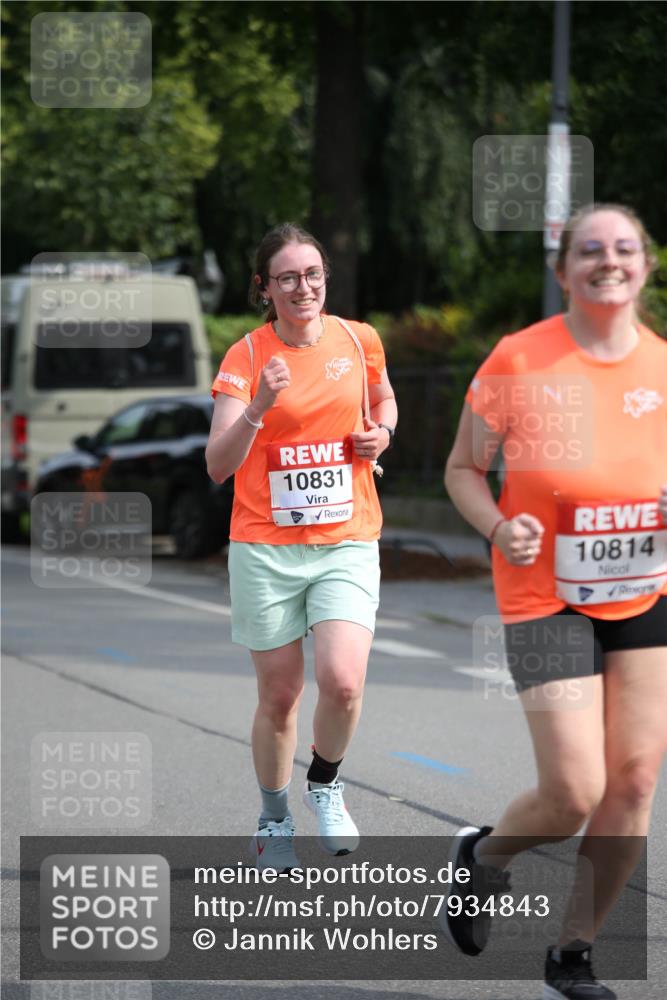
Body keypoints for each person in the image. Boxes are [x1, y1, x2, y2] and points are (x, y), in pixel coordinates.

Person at [443, 204, 667, 1000]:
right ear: (563, 267)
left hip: (643, 591)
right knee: (572, 791)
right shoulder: (519, 359)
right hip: (542, 597)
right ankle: (484, 859)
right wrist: (499, 528)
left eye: (623, 248)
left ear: (644, 264)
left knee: (633, 782)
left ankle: (572, 954)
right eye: (589, 250)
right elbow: (462, 470)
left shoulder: (664, 368)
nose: (608, 260)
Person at [206, 223, 397, 872]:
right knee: (281, 695)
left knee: (342, 683)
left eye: (311, 274)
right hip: (265, 547)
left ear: (324, 278)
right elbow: (217, 463)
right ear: (264, 287)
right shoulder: (245, 356)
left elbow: (383, 401)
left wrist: (383, 436)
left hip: (345, 538)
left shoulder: (357, 338)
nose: (302, 287)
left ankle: (325, 782)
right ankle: (273, 816)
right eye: (286, 277)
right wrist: (258, 404)